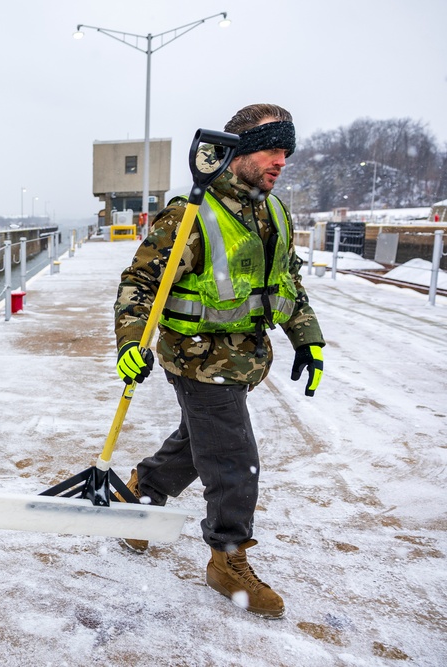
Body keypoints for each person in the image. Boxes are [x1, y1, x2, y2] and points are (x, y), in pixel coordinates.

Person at [113, 103, 325, 619]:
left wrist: (307, 338)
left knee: (199, 442)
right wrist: (129, 343)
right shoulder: (190, 216)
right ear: (237, 153)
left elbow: (287, 281)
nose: (280, 160)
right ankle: (226, 558)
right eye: (272, 148)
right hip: (197, 359)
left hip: (246, 358)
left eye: (286, 151)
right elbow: (138, 284)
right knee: (232, 458)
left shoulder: (274, 212)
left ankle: (142, 495)